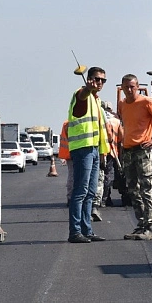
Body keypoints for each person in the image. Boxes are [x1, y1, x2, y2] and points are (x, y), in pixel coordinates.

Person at [119, 73, 152, 241]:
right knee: (132, 189)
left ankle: (149, 228)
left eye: (132, 87)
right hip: (128, 151)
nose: (129, 90)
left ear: (137, 87)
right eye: (126, 87)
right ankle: (140, 224)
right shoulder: (122, 104)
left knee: (146, 189)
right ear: (122, 88)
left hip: (142, 150)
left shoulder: (146, 102)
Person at [65, 66, 110, 244]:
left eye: (103, 80)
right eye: (96, 79)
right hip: (83, 149)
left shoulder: (97, 100)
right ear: (89, 79)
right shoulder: (81, 94)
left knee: (90, 192)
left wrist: (103, 152)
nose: (99, 83)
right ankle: (75, 232)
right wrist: (87, 89)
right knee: (80, 191)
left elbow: (101, 130)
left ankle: (87, 230)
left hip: (94, 150)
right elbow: (81, 97)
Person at [100, 101, 121, 208]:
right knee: (108, 175)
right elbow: (121, 137)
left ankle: (99, 199)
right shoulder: (116, 121)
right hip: (111, 152)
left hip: (100, 151)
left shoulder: (98, 119)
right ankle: (106, 199)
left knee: (99, 176)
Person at [58, 120, 72, 207]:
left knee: (72, 176)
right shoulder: (68, 124)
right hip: (77, 153)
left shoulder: (66, 123)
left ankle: (70, 198)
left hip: (69, 154)